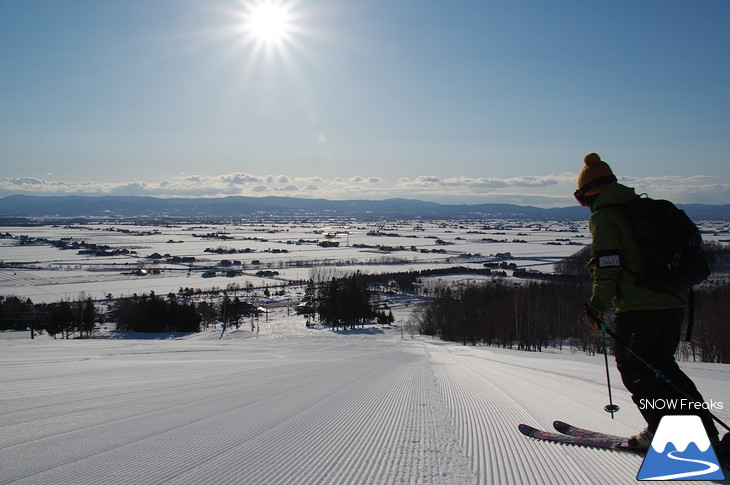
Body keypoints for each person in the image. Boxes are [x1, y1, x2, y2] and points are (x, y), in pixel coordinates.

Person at [575, 152, 721, 450]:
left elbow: (608, 266)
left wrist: (597, 307)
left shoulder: (605, 216)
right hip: (673, 302)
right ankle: (703, 435)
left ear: (588, 193)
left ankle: (663, 433)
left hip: (639, 308)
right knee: (664, 369)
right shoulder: (641, 208)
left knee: (637, 371)